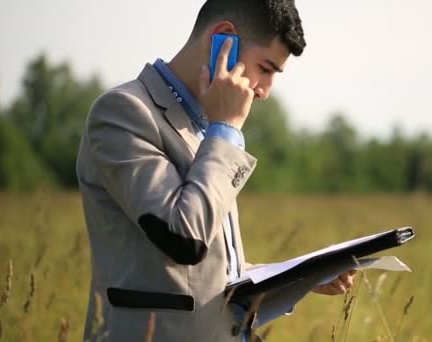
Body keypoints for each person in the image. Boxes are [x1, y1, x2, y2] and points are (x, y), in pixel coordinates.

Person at [77, 0, 355, 340]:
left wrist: (305, 275)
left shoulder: (206, 129)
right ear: (224, 40)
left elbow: (208, 277)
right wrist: (224, 130)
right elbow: (184, 238)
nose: (265, 91)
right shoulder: (124, 113)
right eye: (266, 68)